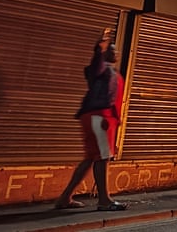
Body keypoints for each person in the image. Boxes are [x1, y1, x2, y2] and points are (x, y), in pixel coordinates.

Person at [54, 28, 126, 211]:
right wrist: (99, 49)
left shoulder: (113, 72)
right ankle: (104, 200)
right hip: (99, 116)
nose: (115, 53)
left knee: (90, 158)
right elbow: (95, 66)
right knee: (103, 158)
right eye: (112, 49)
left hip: (102, 117)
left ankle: (64, 198)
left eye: (116, 50)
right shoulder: (100, 69)